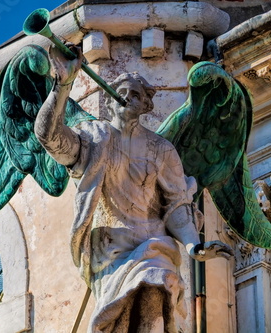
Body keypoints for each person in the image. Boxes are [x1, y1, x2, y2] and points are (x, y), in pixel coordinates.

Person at [34, 45, 233, 332]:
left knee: (156, 281)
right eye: (123, 92)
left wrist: (194, 246)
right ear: (111, 99)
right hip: (111, 251)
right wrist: (62, 84)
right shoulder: (94, 138)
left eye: (136, 95)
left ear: (145, 106)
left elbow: (177, 205)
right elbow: (49, 137)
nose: (128, 98)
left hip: (154, 245)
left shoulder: (161, 150)